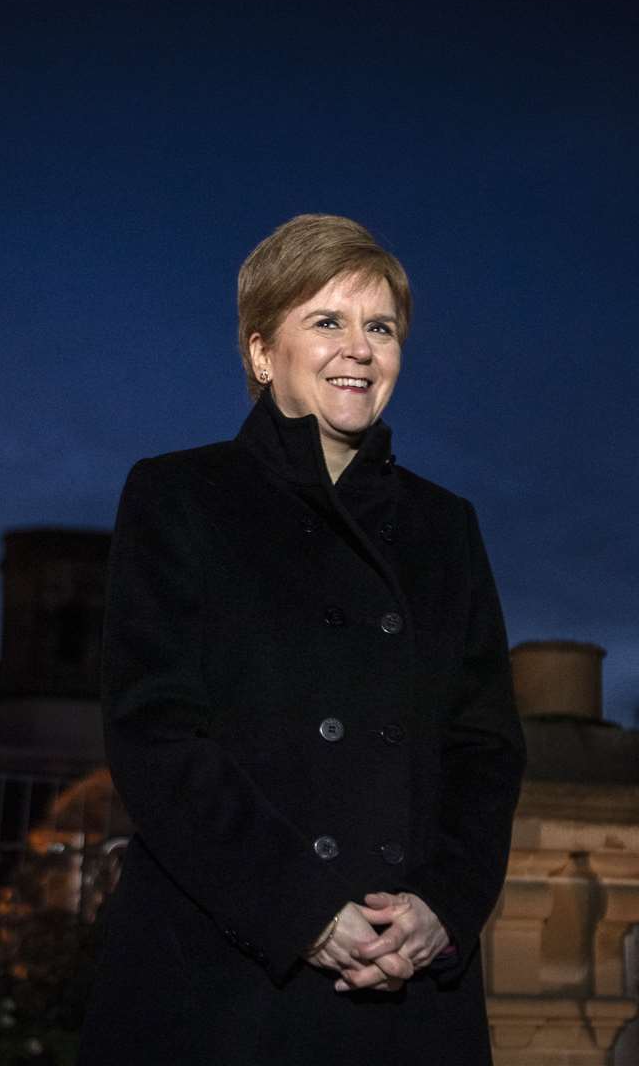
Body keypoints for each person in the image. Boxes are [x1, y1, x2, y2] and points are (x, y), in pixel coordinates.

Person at [77, 214, 525, 1064]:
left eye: (380, 327)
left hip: (409, 988)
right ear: (259, 352)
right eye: (327, 321)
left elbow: (486, 746)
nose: (359, 349)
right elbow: (156, 735)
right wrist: (303, 908)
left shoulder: (445, 528)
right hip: (222, 984)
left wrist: (444, 907)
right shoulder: (179, 497)